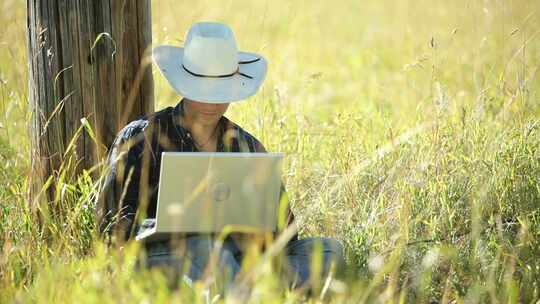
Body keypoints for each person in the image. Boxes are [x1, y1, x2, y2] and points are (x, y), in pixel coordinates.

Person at [97, 22, 344, 291]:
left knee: (329, 250)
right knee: (210, 250)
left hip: (239, 256)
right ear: (184, 84)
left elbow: (287, 233)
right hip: (166, 259)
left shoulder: (247, 146)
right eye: (201, 89)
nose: (211, 102)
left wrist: (254, 227)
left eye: (221, 91)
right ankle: (254, 290)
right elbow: (112, 228)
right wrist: (172, 226)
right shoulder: (140, 138)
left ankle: (245, 287)